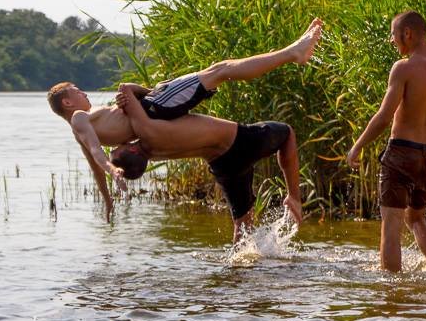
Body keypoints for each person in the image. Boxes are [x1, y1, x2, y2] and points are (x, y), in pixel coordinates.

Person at [47, 19, 322, 221]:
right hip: (154, 108)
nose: (83, 93)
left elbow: (94, 159)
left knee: (217, 73)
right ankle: (292, 53)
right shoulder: (80, 118)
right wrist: (112, 169)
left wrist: (107, 199)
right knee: (221, 70)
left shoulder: (86, 129)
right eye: (77, 91)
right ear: (68, 102)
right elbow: (98, 153)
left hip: (157, 113)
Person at [114, 83, 303, 243]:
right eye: (117, 148)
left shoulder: (153, 155)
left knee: (243, 227)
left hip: (222, 166)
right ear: (131, 149)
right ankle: (294, 198)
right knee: (287, 133)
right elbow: (125, 88)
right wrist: (150, 92)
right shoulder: (146, 131)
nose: (117, 144)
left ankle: (240, 276)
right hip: (239, 141)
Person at [346, 11, 426, 272]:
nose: (392, 41)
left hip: (402, 153)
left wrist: (357, 146)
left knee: (391, 223)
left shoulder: (404, 68)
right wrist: (424, 145)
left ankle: (392, 292)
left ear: (407, 33)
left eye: (393, 35)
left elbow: (384, 117)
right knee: (416, 218)